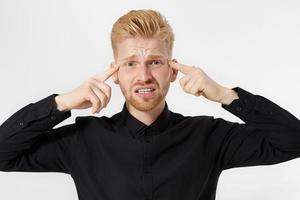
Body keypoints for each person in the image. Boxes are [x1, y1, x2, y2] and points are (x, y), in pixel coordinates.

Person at [0, 9, 299, 200]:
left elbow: (293, 142)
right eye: (130, 63)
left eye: (154, 62)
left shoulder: (208, 136)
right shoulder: (83, 139)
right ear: (115, 73)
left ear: (171, 70)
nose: (143, 76)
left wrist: (224, 94)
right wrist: (61, 103)